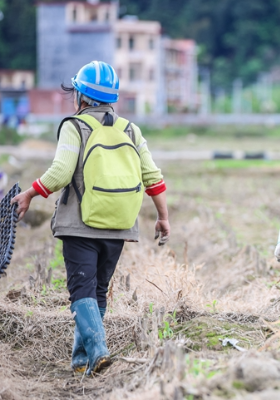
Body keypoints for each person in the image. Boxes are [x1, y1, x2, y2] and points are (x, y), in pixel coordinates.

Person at [11, 61, 171, 375]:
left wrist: (30, 193)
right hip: (119, 225)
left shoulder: (75, 126)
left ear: (81, 96)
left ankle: (98, 351)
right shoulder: (130, 129)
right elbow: (153, 176)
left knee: (81, 291)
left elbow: (60, 173)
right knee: (97, 290)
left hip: (80, 226)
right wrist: (163, 216)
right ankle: (81, 360)